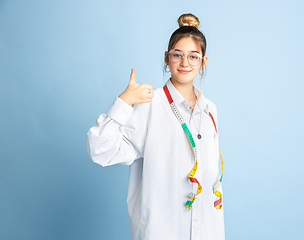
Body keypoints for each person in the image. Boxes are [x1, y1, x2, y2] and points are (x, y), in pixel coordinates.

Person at [87, 13, 225, 240]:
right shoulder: (150, 105)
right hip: (162, 231)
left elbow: (210, 176)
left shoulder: (210, 110)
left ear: (203, 62)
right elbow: (100, 150)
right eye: (177, 55)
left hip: (206, 231)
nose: (184, 63)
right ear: (166, 58)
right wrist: (124, 102)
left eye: (193, 56)